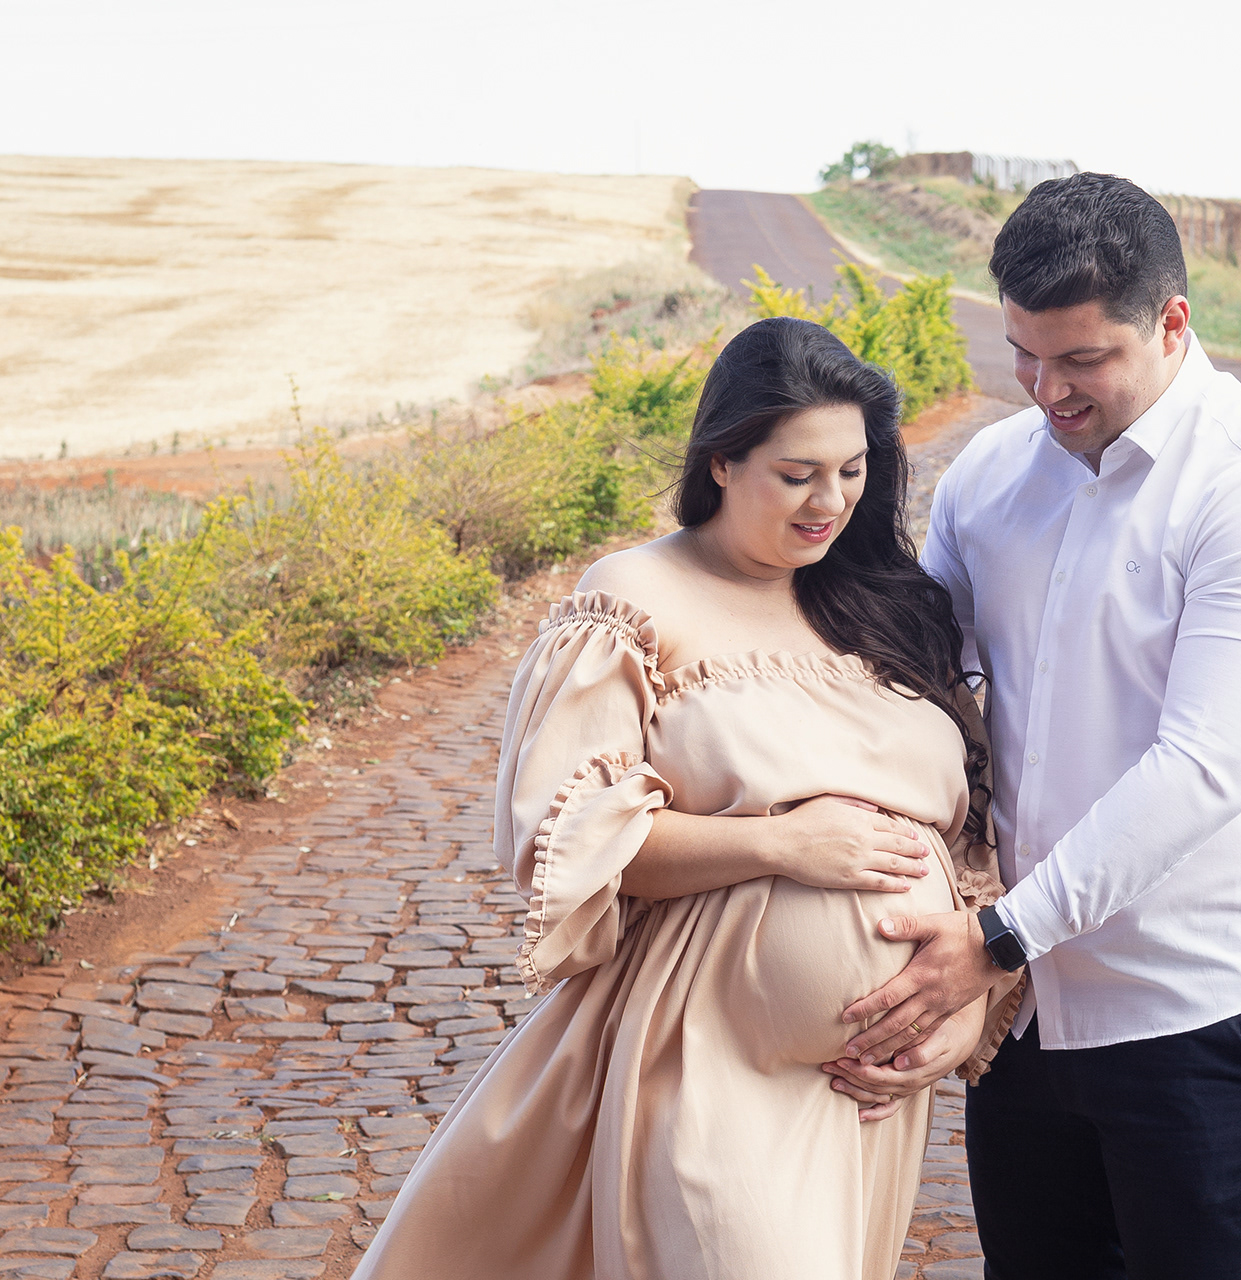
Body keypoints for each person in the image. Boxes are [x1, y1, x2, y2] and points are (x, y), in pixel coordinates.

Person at [356, 317, 1024, 1280]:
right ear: (721, 460)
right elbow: (566, 840)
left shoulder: (888, 605)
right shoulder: (633, 599)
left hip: (870, 1092)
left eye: (851, 470)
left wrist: (963, 1003)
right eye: (796, 474)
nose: (829, 501)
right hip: (702, 1058)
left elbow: (969, 849)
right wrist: (779, 846)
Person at [832, 173, 1241, 1278]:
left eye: (1082, 359)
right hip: (1026, 1016)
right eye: (1023, 354)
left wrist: (998, 935)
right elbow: (914, 679)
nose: (1046, 390)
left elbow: (1204, 765)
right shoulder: (991, 473)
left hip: (1209, 1007)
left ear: (1172, 322)